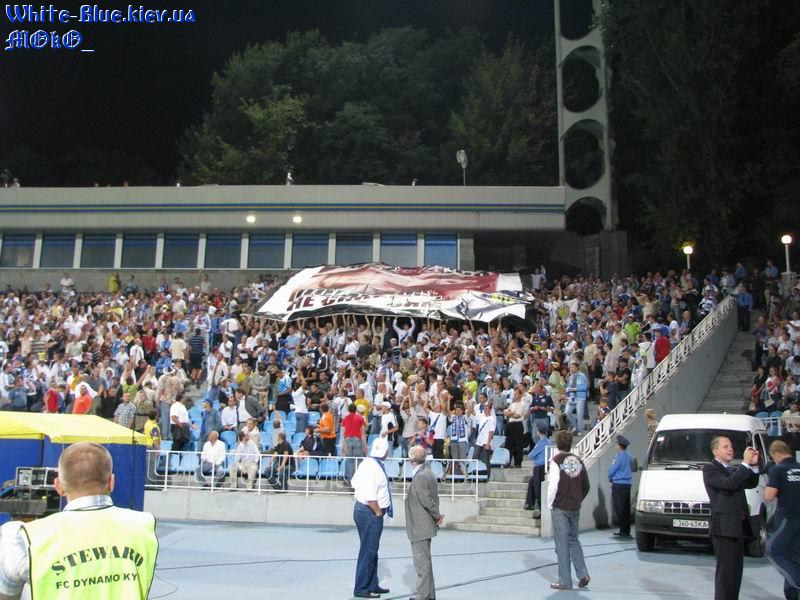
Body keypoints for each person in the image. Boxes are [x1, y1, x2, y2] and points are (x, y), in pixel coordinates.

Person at [0, 442, 158, 599]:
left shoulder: (25, 538)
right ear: (111, 482)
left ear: (59, 486)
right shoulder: (143, 526)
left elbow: (7, 594)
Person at [702, 436, 760, 600]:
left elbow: (750, 483)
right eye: (725, 446)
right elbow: (729, 485)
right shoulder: (710, 469)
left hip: (736, 527)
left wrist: (753, 465)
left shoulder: (732, 469)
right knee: (726, 575)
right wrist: (744, 464)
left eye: (731, 446)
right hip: (724, 528)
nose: (730, 449)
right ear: (715, 451)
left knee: (735, 573)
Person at [548, 430, 591, 591]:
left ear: (557, 444)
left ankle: (565, 581)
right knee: (574, 540)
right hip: (575, 506)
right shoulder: (578, 460)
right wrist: (578, 499)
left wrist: (550, 503)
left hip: (560, 506)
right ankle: (583, 574)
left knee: (562, 544)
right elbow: (586, 485)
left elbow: (553, 485)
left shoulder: (556, 460)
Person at [351, 436, 392, 599]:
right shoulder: (374, 468)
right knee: (368, 550)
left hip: (364, 510)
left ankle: (372, 583)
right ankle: (361, 587)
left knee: (371, 549)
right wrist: (377, 511)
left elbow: (354, 482)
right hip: (370, 511)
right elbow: (370, 495)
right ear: (385, 453)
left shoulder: (367, 463)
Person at [405, 445, 444, 600]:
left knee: (421, 562)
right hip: (425, 525)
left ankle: (422, 595)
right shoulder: (428, 472)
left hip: (420, 526)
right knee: (425, 561)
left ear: (411, 459)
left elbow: (426, 500)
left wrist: (437, 515)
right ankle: (429, 594)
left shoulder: (420, 476)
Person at [764, 440, 800, 600]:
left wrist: (767, 484)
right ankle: (792, 594)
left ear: (776, 454)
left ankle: (797, 583)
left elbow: (769, 496)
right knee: (794, 556)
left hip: (787, 518)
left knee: (774, 551)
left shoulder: (778, 469)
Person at [525, 419, 551, 518]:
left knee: (538, 489)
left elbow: (531, 455)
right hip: (543, 466)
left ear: (539, 431)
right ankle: (529, 503)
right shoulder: (548, 441)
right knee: (531, 483)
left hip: (539, 468)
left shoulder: (541, 443)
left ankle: (541, 510)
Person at [608, 434, 633, 538]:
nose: (616, 445)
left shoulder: (618, 457)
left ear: (619, 445)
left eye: (616, 443)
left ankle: (623, 529)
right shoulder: (630, 456)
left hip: (618, 484)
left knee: (619, 508)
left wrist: (610, 477)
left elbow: (612, 470)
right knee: (626, 507)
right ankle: (626, 529)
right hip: (627, 484)